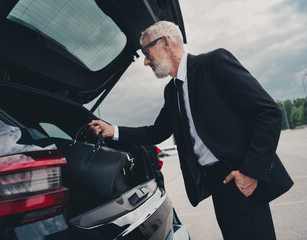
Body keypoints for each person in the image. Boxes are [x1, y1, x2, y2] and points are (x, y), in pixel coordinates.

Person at [89, 21, 293, 240]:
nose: (146, 61)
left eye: (147, 53)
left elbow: (269, 112)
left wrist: (250, 172)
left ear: (165, 42)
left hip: (240, 177)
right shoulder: (172, 90)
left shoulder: (214, 63)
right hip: (218, 184)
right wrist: (113, 131)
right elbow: (157, 132)